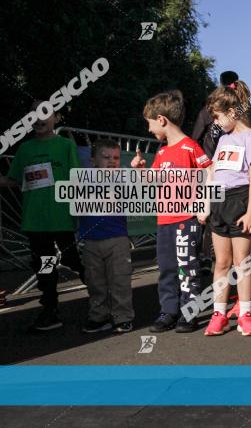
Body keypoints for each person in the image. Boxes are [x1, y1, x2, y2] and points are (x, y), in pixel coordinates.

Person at [131, 90, 211, 333]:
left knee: (187, 267)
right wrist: (140, 170)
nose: (149, 130)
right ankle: (169, 311)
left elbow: (209, 174)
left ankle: (189, 312)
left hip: (186, 219)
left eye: (150, 123)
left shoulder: (191, 147)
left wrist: (204, 204)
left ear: (162, 120)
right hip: (165, 220)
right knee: (166, 267)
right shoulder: (162, 152)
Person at [0, 102, 83, 332]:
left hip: (61, 218)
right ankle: (50, 309)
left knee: (72, 260)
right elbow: (12, 179)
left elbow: (77, 178)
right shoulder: (25, 149)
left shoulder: (66, 145)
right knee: (44, 266)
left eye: (45, 114)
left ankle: (102, 299)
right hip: (35, 221)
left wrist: (80, 209)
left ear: (56, 118)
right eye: (34, 114)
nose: (38, 118)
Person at [200, 80, 251, 337]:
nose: (215, 122)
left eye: (217, 117)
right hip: (219, 203)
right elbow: (212, 174)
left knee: (243, 263)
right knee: (222, 262)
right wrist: (205, 205)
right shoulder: (223, 140)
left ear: (232, 112)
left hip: (240, 202)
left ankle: (246, 314)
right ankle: (219, 314)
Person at [78, 139, 134, 334]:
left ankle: (123, 317)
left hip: (117, 239)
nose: (112, 161)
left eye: (116, 158)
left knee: (120, 280)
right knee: (95, 282)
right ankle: (98, 316)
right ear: (93, 161)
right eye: (106, 157)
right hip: (91, 240)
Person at [192, 71, 251, 158]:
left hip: (212, 160)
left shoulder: (211, 109)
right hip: (242, 159)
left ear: (221, 83)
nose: (216, 121)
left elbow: (195, 139)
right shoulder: (248, 109)